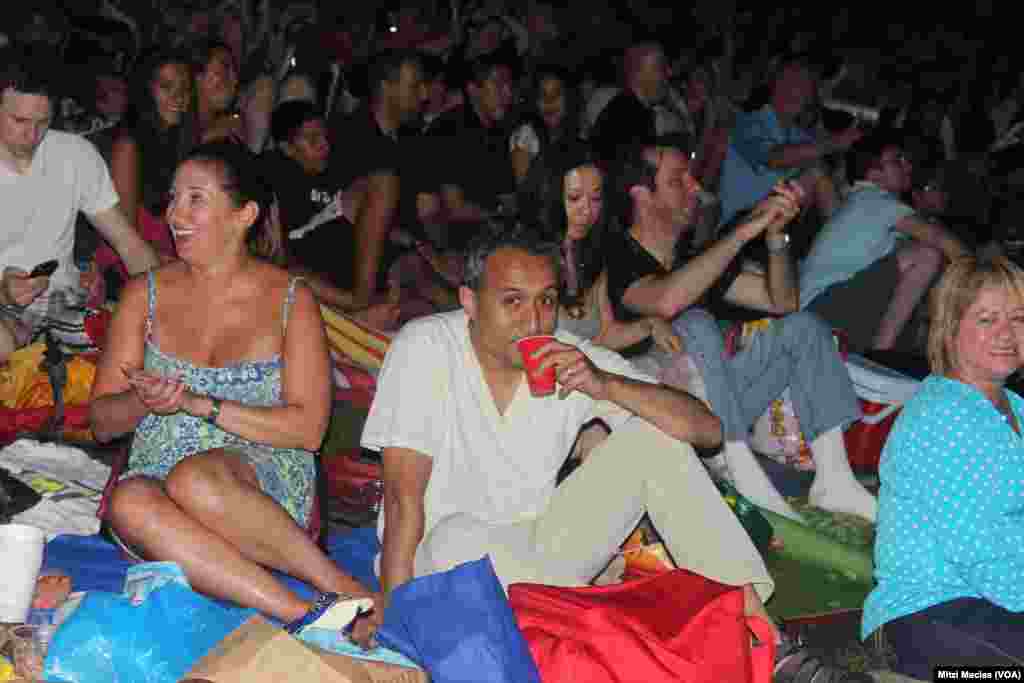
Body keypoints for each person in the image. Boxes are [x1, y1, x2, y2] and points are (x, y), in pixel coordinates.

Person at [360, 220, 779, 637]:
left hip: (541, 555)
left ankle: (758, 629)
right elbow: (402, 499)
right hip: (442, 565)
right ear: (469, 301)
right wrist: (400, 620)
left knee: (654, 437)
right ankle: (602, 620)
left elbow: (706, 431)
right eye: (513, 302)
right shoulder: (425, 348)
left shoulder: (570, 356)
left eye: (546, 301)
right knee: (455, 538)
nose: (534, 323)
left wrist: (605, 384)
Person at [90, 141, 378, 632]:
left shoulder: (290, 300)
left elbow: (308, 430)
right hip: (161, 482)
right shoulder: (145, 295)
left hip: (259, 476)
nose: (174, 214)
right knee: (128, 500)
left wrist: (202, 405)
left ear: (244, 214)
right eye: (173, 197)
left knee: (196, 479)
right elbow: (100, 422)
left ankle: (342, 586)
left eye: (195, 199)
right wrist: (143, 400)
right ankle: (298, 612)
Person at [605, 141, 877, 522]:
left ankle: (833, 477)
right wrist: (743, 231)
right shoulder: (615, 254)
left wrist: (774, 238)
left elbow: (782, 302)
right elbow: (665, 302)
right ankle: (737, 466)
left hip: (717, 410)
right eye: (677, 180)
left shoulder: (694, 257)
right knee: (694, 322)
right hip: (658, 411)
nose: (696, 189)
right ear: (641, 195)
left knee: (803, 327)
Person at [862, 255, 1024, 677]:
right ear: (951, 328)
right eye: (987, 319)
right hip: (927, 616)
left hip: (996, 602)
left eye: (1018, 318)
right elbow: (980, 552)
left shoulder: (1018, 410)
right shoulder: (941, 417)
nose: (1008, 334)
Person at [0, 50, 160, 361]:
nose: (31, 134)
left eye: (42, 121)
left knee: (135, 339)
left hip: (61, 302)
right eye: (18, 120)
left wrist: (169, 301)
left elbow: (129, 245)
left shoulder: (74, 154)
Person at [800, 133, 969, 352]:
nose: (907, 166)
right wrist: (983, 278)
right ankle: (881, 353)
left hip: (825, 309)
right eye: (897, 161)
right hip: (822, 308)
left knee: (929, 273)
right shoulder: (875, 200)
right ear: (873, 174)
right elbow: (940, 239)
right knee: (927, 255)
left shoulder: (863, 204)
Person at [261, 100, 399, 329]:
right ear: (287, 148)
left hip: (337, 255)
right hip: (298, 263)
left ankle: (365, 302)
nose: (324, 145)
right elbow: (276, 255)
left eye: (325, 137)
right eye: (313, 140)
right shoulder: (272, 172)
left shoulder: (336, 167)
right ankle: (358, 305)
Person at [329, 49, 432, 308]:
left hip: (406, 262)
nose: (425, 94)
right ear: (387, 88)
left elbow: (419, 216)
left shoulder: (412, 142)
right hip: (357, 269)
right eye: (415, 86)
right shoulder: (347, 138)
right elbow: (345, 215)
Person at [717, 57, 860, 228]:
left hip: (775, 231)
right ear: (775, 85)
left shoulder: (801, 137)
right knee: (814, 172)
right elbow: (773, 157)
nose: (795, 92)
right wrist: (832, 144)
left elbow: (827, 176)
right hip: (737, 229)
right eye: (789, 83)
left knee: (823, 175)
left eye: (802, 87)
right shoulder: (747, 123)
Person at [99, 50, 195, 283]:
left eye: (184, 88)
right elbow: (126, 241)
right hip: (128, 269)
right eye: (166, 86)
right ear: (145, 91)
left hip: (164, 263)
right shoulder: (128, 147)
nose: (178, 96)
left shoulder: (180, 144)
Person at [589, 41, 668, 163]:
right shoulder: (622, 117)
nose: (668, 73)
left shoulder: (633, 111)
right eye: (660, 68)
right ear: (638, 73)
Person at [509, 65, 584, 187]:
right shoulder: (526, 135)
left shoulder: (575, 136)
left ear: (569, 98)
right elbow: (523, 191)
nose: (549, 101)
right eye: (542, 94)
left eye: (557, 93)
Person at [190, 40, 243, 145]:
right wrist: (209, 136)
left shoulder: (229, 133)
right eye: (226, 67)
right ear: (198, 75)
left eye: (234, 71)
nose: (235, 80)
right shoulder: (173, 123)